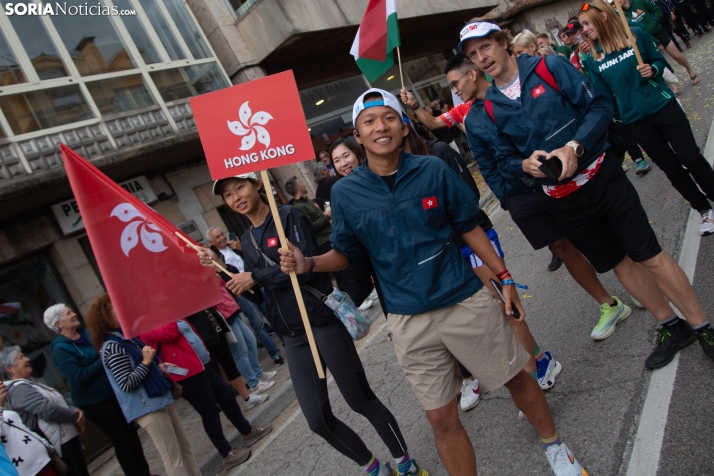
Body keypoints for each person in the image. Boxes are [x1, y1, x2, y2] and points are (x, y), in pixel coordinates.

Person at [279, 88, 586, 476]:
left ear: (403, 126)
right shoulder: (346, 193)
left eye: (388, 117)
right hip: (408, 320)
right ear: (358, 136)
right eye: (368, 122)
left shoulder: (432, 170)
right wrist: (308, 262)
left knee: (517, 378)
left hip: (462, 299)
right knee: (441, 418)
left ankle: (555, 447)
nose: (380, 127)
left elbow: (468, 227)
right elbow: (345, 252)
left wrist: (504, 277)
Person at [460, 19, 714, 371]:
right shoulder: (488, 108)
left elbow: (599, 106)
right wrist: (524, 165)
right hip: (561, 200)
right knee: (617, 262)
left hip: (602, 179)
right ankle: (672, 325)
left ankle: (703, 327)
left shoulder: (550, 66)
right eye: (473, 54)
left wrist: (574, 147)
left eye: (485, 47)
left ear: (502, 42)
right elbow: (502, 161)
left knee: (648, 254)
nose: (481, 57)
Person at [201, 172, 429, 476]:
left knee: (359, 399)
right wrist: (225, 272)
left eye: (239, 187)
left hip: (321, 321)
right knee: (317, 419)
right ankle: (373, 467)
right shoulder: (246, 238)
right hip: (292, 335)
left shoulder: (289, 215)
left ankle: (405, 462)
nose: (235, 197)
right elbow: (259, 295)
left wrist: (255, 277)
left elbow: (302, 268)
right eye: (228, 195)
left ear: (257, 185)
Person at [406, 52, 630, 339]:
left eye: (455, 83)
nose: (455, 91)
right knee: (562, 247)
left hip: (559, 178)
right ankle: (608, 304)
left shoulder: (517, 91)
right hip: (522, 194)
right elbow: (485, 162)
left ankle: (636, 279)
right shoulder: (469, 114)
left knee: (597, 228)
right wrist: (507, 198)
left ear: (472, 74)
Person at [580, 0, 714, 235]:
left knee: (690, 156)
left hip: (663, 106)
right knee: (671, 169)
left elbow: (660, 60)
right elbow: (603, 96)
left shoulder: (635, 35)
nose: (584, 30)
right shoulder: (594, 58)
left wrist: (653, 70)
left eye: (586, 23)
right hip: (636, 122)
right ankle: (704, 209)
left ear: (603, 18)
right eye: (582, 25)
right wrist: (617, 124)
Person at [85, 294, 201, 476]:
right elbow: (126, 383)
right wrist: (146, 363)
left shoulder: (127, 338)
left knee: (184, 448)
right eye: (115, 308)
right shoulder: (113, 346)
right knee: (173, 457)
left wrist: (157, 367)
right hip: (147, 406)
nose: (122, 310)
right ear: (105, 317)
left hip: (159, 398)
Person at [140, 321, 271, 469]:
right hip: (184, 373)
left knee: (227, 395)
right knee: (209, 412)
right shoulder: (145, 325)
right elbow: (169, 333)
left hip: (200, 364)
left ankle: (247, 431)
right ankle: (227, 453)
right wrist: (170, 315)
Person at [44, 304, 151, 476]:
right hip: (94, 401)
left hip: (112, 393)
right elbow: (79, 377)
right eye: (68, 313)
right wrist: (103, 359)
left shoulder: (85, 333)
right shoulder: (60, 349)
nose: (73, 314)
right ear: (58, 323)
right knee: (121, 439)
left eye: (71, 311)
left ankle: (146, 473)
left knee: (131, 433)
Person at [1, 346, 89, 476]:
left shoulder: (29, 383)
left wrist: (73, 410)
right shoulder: (18, 390)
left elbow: (55, 402)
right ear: (10, 368)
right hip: (59, 445)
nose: (27, 359)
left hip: (66, 440)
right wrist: (73, 416)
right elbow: (48, 410)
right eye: (21, 357)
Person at [207, 226, 285, 366]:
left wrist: (241, 248)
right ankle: (275, 354)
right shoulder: (214, 258)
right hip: (242, 292)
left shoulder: (236, 245)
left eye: (221, 234)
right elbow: (224, 275)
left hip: (256, 282)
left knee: (272, 315)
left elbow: (253, 258)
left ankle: (286, 343)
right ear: (212, 243)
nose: (222, 238)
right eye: (217, 237)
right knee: (258, 324)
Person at [621, 0, 700, 84]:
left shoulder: (638, 1)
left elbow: (656, 9)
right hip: (647, 39)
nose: (615, 2)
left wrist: (655, 21)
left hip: (658, 32)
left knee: (676, 55)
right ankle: (673, 86)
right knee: (659, 62)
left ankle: (690, 70)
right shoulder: (622, 14)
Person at [284, 176, 333, 254]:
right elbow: (310, 227)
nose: (304, 184)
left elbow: (317, 217)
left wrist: (323, 215)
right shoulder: (298, 207)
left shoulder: (308, 201)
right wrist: (327, 217)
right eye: (301, 182)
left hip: (331, 236)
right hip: (325, 243)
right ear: (299, 187)